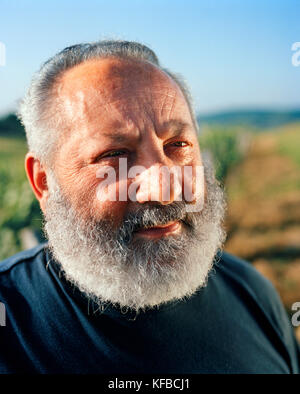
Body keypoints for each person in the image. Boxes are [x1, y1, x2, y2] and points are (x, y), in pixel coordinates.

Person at [0, 40, 299, 374]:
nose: (165, 188)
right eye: (115, 154)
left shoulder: (252, 293)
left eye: (178, 145)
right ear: (44, 182)